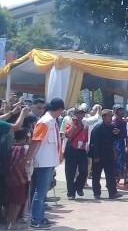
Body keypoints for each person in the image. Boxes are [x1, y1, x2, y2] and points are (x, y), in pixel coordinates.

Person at [25, 98, 64, 229]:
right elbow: (35, 141)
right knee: (40, 192)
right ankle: (35, 220)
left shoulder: (51, 121)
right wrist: (27, 159)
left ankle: (40, 218)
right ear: (59, 110)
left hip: (49, 161)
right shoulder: (45, 121)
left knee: (42, 192)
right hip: (43, 161)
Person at [89, 109, 123, 200]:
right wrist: (96, 156)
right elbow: (94, 143)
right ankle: (97, 193)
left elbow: (116, 138)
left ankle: (112, 193)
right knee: (96, 175)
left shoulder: (112, 127)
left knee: (110, 175)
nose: (110, 118)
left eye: (111, 116)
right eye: (108, 116)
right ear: (104, 117)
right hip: (99, 155)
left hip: (108, 155)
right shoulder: (98, 128)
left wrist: (118, 133)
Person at [5, 127, 30, 230]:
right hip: (18, 179)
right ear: (24, 137)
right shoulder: (21, 149)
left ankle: (9, 221)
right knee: (19, 202)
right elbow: (17, 165)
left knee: (12, 201)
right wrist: (21, 178)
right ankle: (13, 223)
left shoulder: (12, 147)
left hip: (10, 177)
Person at [64, 107, 89, 200]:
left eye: (82, 113)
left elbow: (85, 140)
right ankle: (71, 193)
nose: (80, 115)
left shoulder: (85, 126)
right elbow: (68, 135)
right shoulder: (69, 124)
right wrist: (73, 124)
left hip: (81, 150)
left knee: (84, 171)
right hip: (71, 149)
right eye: (78, 113)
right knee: (70, 172)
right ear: (74, 114)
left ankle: (78, 187)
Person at [112, 104, 127, 179]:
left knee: (123, 158)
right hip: (116, 142)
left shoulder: (124, 122)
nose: (122, 112)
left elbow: (124, 133)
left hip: (121, 141)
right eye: (120, 111)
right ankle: (116, 174)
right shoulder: (114, 121)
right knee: (117, 157)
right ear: (116, 112)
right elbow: (113, 133)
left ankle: (122, 173)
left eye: (122, 110)